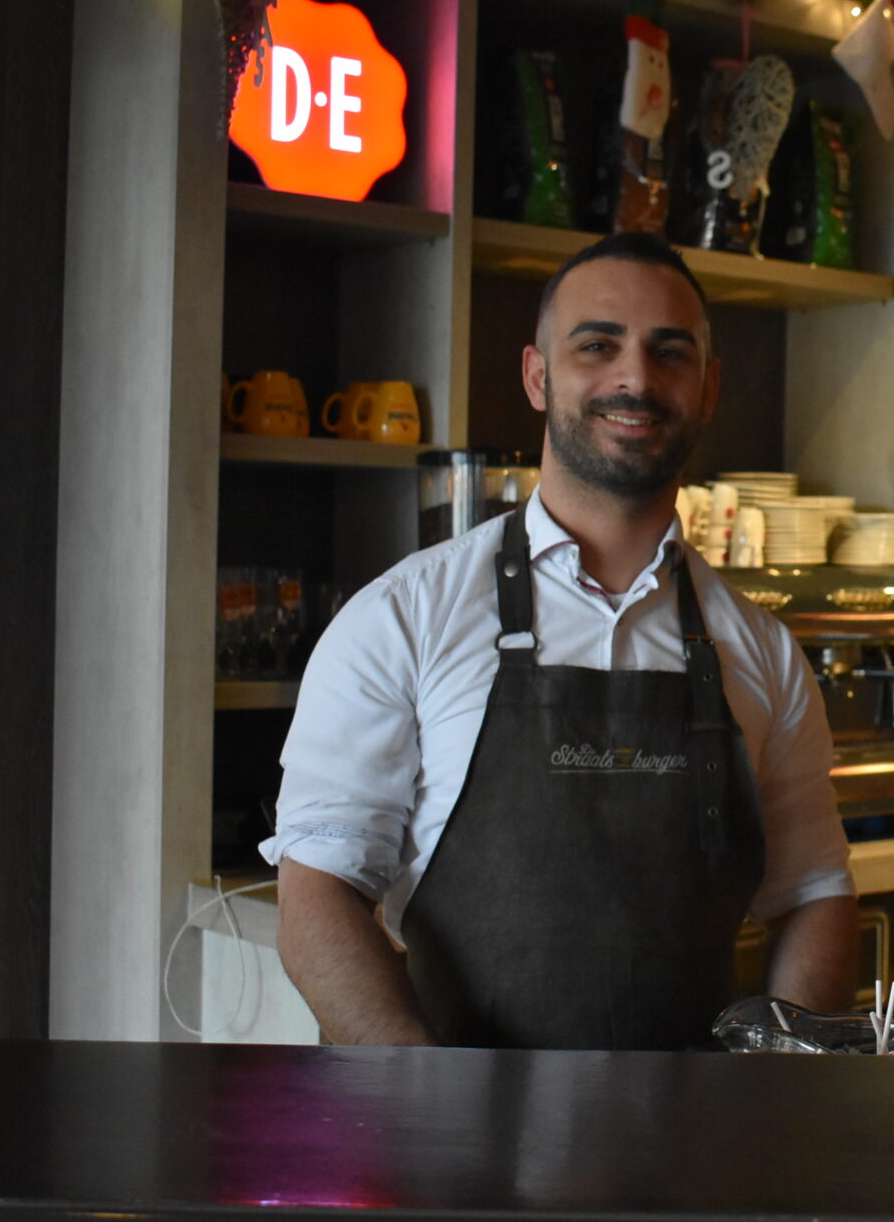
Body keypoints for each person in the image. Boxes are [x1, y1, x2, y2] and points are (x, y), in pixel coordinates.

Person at [261, 232, 859, 1049]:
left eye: (670, 352)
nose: (636, 378)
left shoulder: (760, 649)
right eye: (597, 344)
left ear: (710, 387)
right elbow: (316, 893)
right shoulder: (403, 617)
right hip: (457, 1151)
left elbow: (815, 892)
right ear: (537, 376)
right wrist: (425, 1104)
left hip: (694, 1151)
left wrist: (780, 1080)